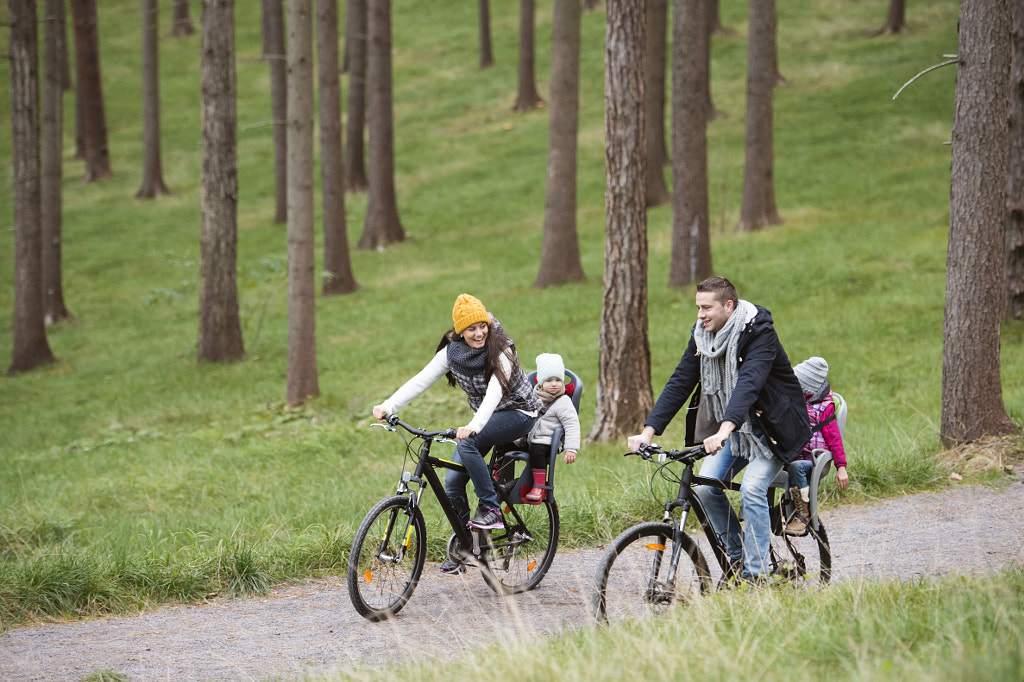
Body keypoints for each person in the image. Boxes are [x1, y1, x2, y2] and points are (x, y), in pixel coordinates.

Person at [627, 276, 811, 583]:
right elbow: (680, 381)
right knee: (706, 487)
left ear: (728, 306)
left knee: (752, 489)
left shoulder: (759, 333)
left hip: (772, 430)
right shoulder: (702, 337)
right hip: (737, 432)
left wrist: (724, 429)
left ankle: (757, 575)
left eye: (706, 307)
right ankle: (739, 559)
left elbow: (749, 384)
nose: (700, 314)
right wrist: (648, 431)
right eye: (697, 307)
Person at [372, 294, 540, 573]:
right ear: (460, 331)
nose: (478, 333)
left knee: (469, 444)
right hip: (485, 417)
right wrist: (389, 405)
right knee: (452, 482)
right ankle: (466, 546)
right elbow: (420, 381)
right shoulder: (453, 353)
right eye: (471, 329)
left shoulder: (502, 350)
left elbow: (495, 394)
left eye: (482, 326)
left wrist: (474, 426)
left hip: (519, 413)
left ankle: (491, 509)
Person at [785, 356, 849, 535]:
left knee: (796, 467)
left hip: (814, 461)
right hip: (797, 454)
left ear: (809, 387)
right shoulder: (802, 402)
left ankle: (803, 514)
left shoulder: (824, 408)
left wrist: (841, 468)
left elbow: (835, 440)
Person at [523, 353, 581, 503]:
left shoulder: (563, 402)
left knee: (537, 448)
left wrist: (571, 448)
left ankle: (539, 486)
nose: (554, 384)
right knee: (506, 440)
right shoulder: (533, 397)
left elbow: (572, 424)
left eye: (558, 380)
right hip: (529, 437)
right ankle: (500, 473)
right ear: (541, 382)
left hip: (547, 441)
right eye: (549, 380)